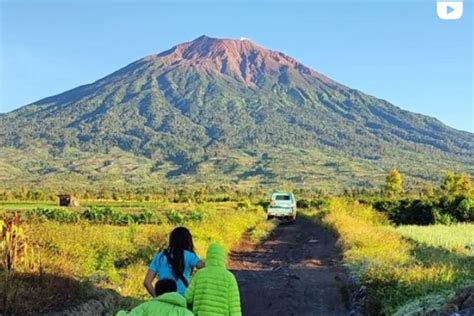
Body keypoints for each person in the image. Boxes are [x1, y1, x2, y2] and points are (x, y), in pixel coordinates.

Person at [144, 227, 204, 296]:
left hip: (165, 298)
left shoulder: (159, 256)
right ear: (188, 241)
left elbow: (147, 282)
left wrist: (158, 298)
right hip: (182, 299)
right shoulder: (189, 255)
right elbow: (205, 267)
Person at [185, 243, 241, 316]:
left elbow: (188, 297)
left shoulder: (200, 274)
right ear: (223, 258)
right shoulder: (229, 277)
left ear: (208, 257)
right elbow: (234, 307)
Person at [116, 279, 194, 316]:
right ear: (175, 291)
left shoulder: (145, 307)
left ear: (156, 292)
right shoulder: (184, 312)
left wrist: (121, 312)